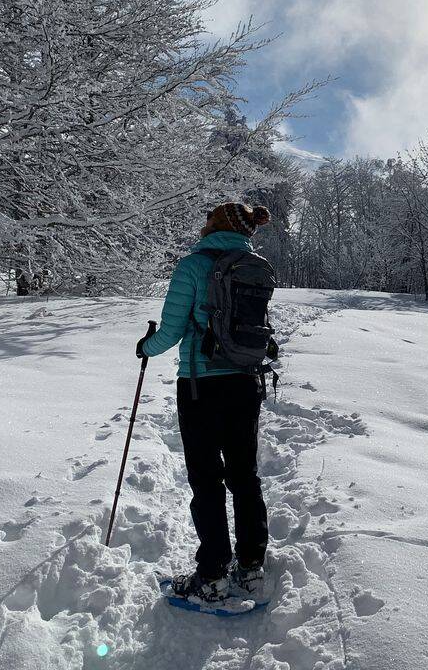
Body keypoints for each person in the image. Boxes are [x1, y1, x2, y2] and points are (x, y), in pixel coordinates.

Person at [136, 202, 273, 603]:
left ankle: (212, 573)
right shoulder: (256, 266)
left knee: (207, 478)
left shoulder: (194, 266)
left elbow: (173, 331)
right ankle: (251, 566)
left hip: (200, 385)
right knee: (244, 475)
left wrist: (146, 346)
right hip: (246, 381)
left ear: (212, 226)